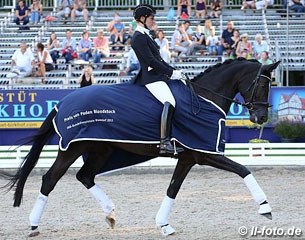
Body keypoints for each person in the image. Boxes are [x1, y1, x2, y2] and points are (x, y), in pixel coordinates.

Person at [131, 4, 184, 155]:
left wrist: (173, 71)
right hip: (151, 78)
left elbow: (159, 59)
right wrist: (171, 73)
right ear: (142, 19)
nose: (153, 21)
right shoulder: (138, 37)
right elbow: (151, 62)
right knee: (170, 102)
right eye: (151, 18)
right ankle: (164, 143)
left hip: (158, 74)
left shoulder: (147, 34)